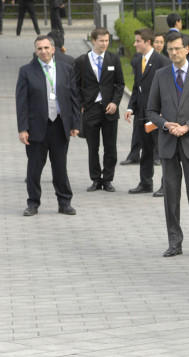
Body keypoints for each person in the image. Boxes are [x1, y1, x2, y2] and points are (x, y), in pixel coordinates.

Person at [147, 31, 189, 258]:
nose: (174, 53)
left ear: (187, 49)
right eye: (170, 49)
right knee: (171, 195)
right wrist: (167, 125)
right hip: (168, 143)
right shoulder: (160, 75)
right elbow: (150, 110)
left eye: (177, 48)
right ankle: (174, 242)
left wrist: (187, 126)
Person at [16, 35, 80, 216]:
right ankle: (33, 203)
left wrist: (75, 123)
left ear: (53, 49)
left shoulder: (66, 69)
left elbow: (74, 98)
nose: (43, 51)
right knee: (34, 168)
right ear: (35, 52)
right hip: (36, 127)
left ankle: (64, 202)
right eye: (39, 49)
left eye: (46, 48)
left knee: (60, 167)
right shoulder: (26, 71)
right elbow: (21, 103)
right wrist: (22, 128)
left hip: (59, 125)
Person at [75, 27, 125, 193]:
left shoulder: (113, 59)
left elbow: (120, 84)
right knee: (93, 147)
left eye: (107, 41)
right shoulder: (82, 61)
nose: (104, 44)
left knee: (110, 147)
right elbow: (75, 86)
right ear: (93, 40)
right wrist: (82, 104)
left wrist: (115, 102)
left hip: (109, 109)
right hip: (90, 109)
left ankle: (108, 179)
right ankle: (96, 179)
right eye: (101, 41)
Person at [125, 28, 171, 195]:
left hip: (157, 116)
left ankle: (167, 185)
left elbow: (168, 90)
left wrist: (163, 113)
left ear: (147, 42)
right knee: (146, 149)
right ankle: (145, 183)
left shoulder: (162, 61)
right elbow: (137, 87)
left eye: (138, 41)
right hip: (142, 115)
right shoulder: (139, 61)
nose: (135, 43)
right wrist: (131, 107)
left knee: (163, 150)